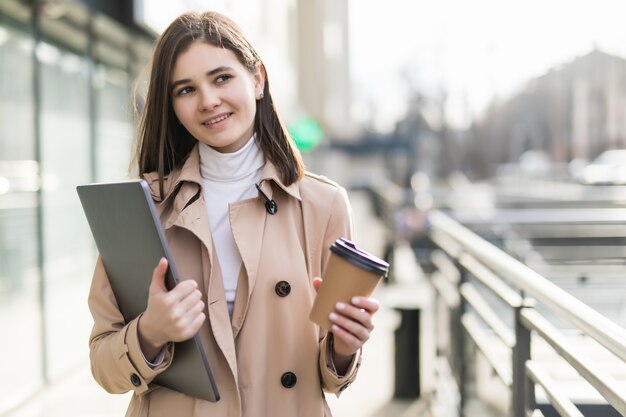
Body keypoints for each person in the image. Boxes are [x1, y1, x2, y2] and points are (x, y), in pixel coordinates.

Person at [88, 10, 380, 417]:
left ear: (257, 78)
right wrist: (151, 332)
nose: (208, 100)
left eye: (222, 78)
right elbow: (104, 366)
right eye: (186, 90)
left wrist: (345, 348)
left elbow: (331, 375)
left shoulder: (322, 205)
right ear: (172, 105)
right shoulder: (144, 207)